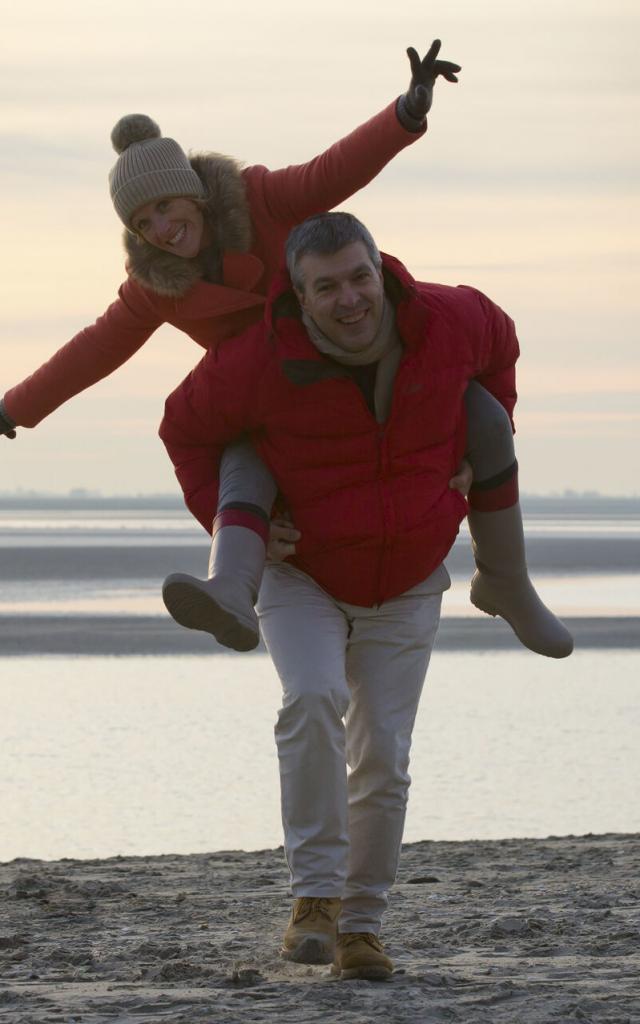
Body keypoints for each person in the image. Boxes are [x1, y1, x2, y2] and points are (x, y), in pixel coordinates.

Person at [158, 212, 572, 978]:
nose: (349, 299)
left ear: (378, 269)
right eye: (327, 288)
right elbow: (183, 428)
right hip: (304, 573)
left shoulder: (453, 319)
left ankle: (362, 927)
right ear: (301, 295)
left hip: (409, 575)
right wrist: (219, 509)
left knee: (382, 749)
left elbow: (503, 347)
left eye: (359, 277)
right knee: (310, 700)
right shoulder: (257, 362)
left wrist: (485, 441)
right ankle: (313, 903)